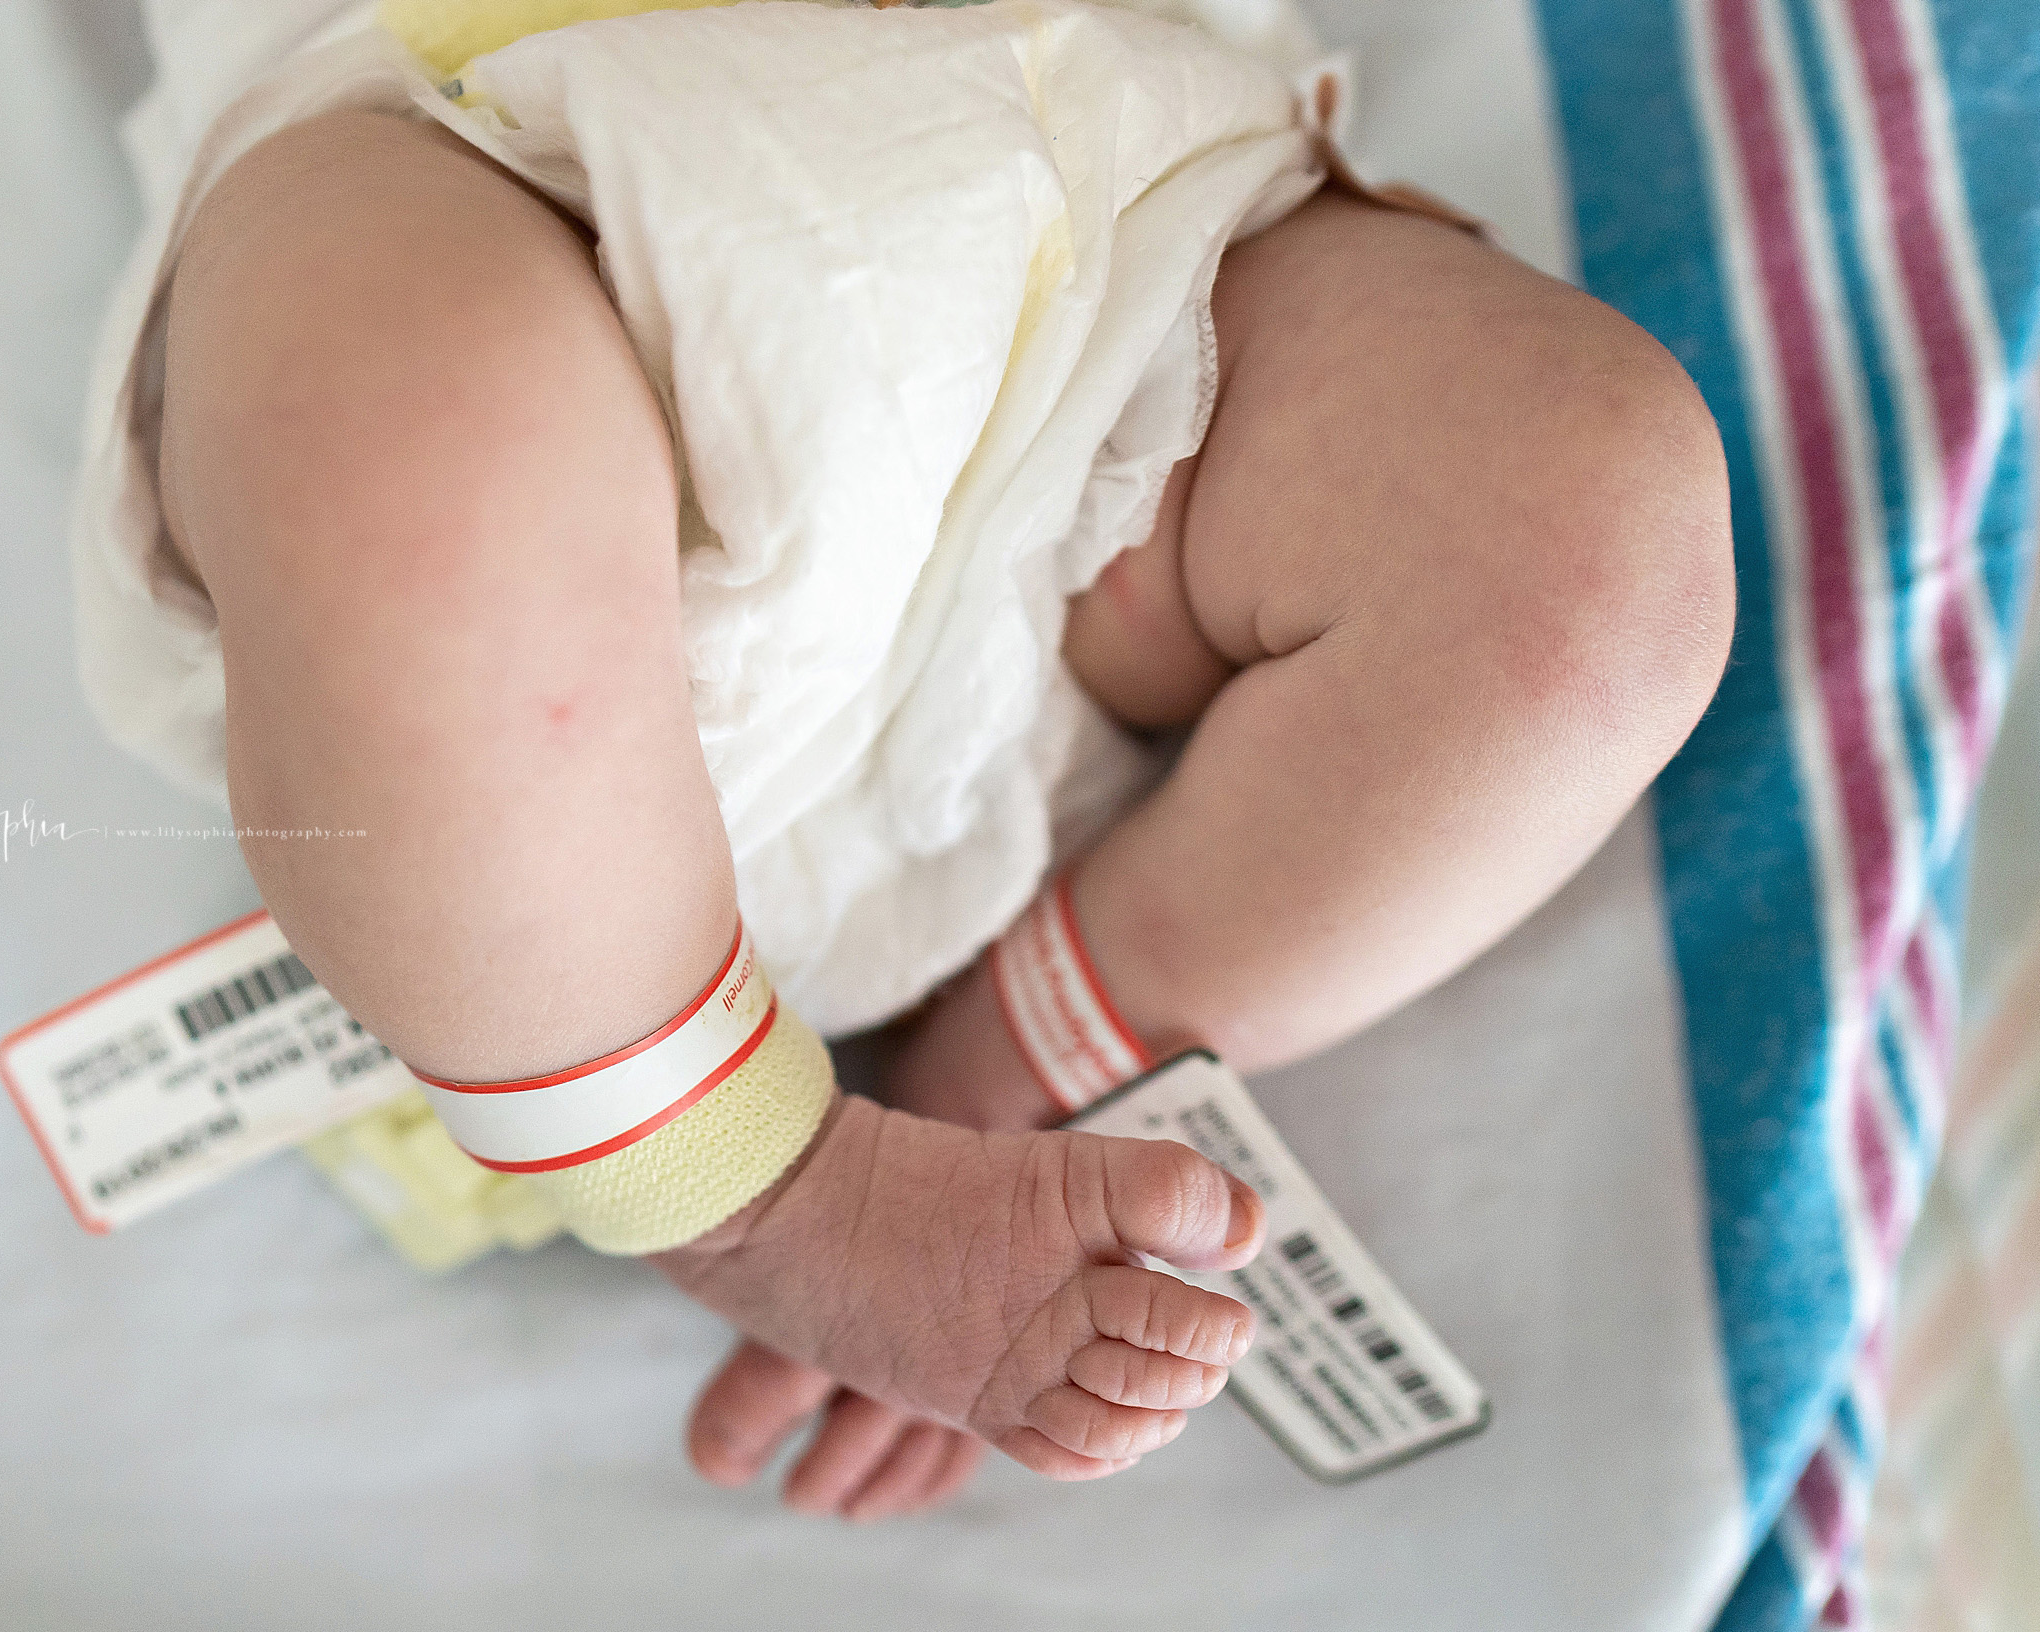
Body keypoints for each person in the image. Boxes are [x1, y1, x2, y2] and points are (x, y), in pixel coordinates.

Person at [88, 0, 1733, 1524]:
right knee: (410, 437)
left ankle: (1050, 1023)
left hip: (1097, 226)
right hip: (483, 145)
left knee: (1590, 543)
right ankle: (749, 1190)